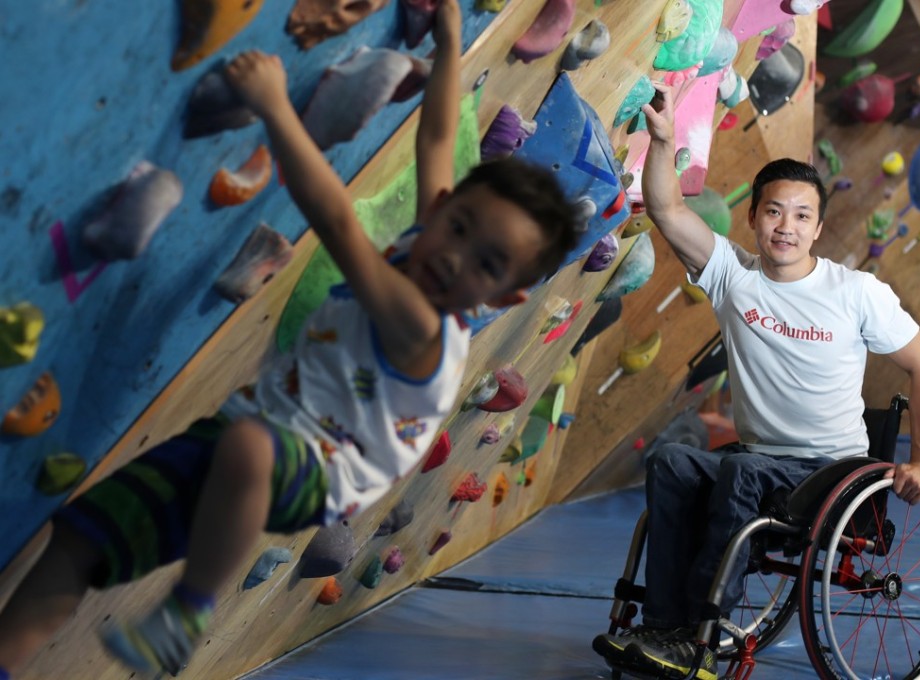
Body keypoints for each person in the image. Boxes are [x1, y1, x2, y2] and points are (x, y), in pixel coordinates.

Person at [0, 3, 577, 677]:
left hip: (324, 470)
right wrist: (450, 37)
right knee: (79, 540)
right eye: (459, 228)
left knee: (248, 448)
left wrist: (275, 106)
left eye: (486, 264)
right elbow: (439, 137)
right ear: (445, 210)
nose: (455, 257)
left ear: (503, 297)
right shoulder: (434, 240)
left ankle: (189, 610)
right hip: (259, 431)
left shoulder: (421, 321)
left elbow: (333, 216)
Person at [592, 83, 920, 680]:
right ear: (753, 216)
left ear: (818, 228)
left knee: (740, 470)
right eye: (775, 211)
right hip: (757, 459)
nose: (787, 226)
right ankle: (666, 626)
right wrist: (662, 140)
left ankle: (701, 639)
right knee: (674, 462)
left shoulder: (855, 293)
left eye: (802, 215)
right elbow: (669, 209)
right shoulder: (734, 276)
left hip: (829, 471)